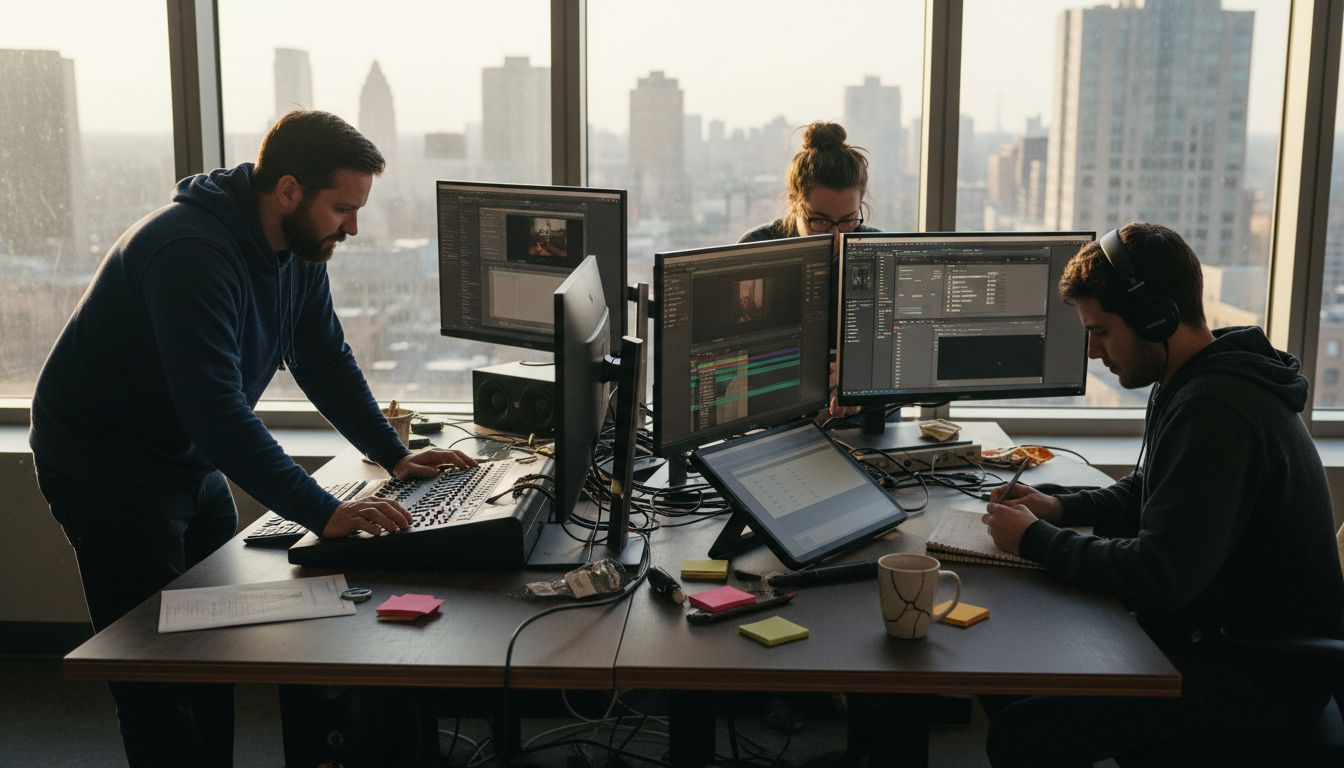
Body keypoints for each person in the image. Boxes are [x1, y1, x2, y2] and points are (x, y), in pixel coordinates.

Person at [29, 110, 476, 767]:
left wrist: (394, 454)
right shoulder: (188, 251)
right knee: (152, 671)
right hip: (106, 467)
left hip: (185, 456)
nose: (352, 228)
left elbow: (323, 359)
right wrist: (324, 512)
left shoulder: (298, 249)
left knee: (214, 648)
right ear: (289, 190)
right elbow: (216, 413)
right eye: (342, 209)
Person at [980, 222, 1344, 766]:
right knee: (1008, 679)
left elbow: (1161, 575)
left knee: (1023, 731)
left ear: (1154, 317)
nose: (1093, 351)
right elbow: (1150, 492)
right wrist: (1059, 507)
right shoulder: (1193, 378)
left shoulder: (1217, 408)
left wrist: (1036, 540)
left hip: (1257, 673)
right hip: (1215, 637)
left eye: (1101, 332)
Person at [739, 120, 878, 243]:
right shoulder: (754, 247)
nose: (836, 236)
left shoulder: (880, 246)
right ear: (793, 202)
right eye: (821, 221)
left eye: (847, 221)